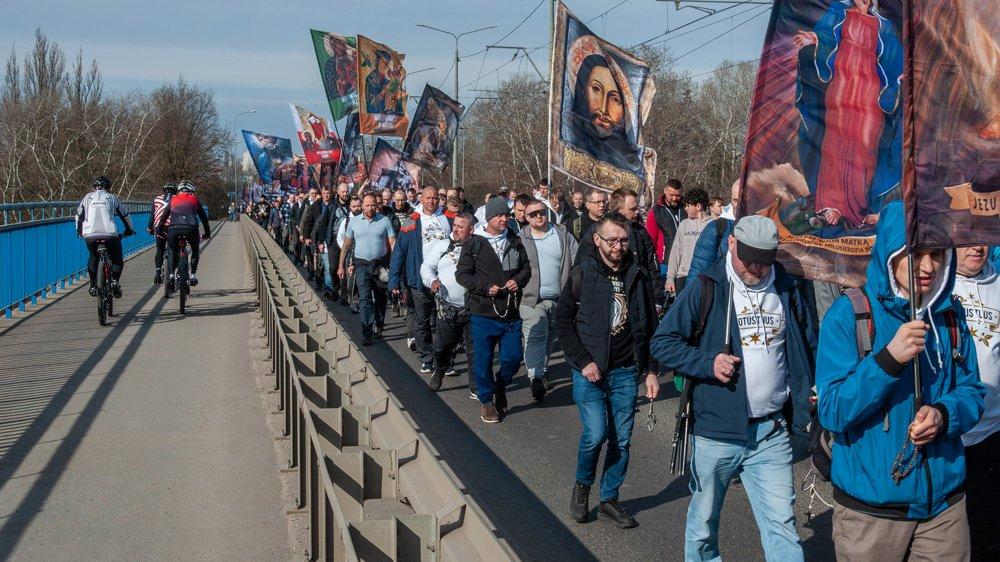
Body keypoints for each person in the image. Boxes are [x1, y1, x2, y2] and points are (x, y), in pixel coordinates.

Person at [815, 201, 984, 560]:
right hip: (871, 512)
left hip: (944, 508)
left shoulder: (950, 316)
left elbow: (972, 392)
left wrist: (943, 415)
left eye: (936, 254)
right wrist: (888, 360)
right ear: (891, 253)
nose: (928, 266)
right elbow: (832, 410)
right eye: (916, 253)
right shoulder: (850, 314)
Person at [652, 215, 816, 561]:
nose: (756, 268)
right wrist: (707, 363)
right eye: (749, 258)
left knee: (782, 525)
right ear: (731, 244)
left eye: (764, 260)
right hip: (716, 430)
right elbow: (663, 343)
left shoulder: (786, 287)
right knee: (703, 524)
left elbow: (806, 345)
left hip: (771, 431)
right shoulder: (707, 286)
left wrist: (811, 391)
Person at [556, 215, 659, 529]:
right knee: (595, 434)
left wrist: (651, 370)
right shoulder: (582, 275)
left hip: (625, 371)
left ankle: (609, 499)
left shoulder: (638, 275)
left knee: (621, 440)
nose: (618, 246)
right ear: (597, 240)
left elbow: (651, 327)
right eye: (612, 240)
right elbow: (563, 323)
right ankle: (583, 485)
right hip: (589, 371)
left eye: (624, 240)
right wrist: (584, 361)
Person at [455, 196, 530, 424]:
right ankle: (486, 400)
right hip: (482, 313)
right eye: (499, 215)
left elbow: (526, 268)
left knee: (513, 358)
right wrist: (485, 287)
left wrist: (518, 281)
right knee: (483, 359)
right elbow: (462, 275)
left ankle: (501, 385)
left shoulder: (514, 240)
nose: (504, 219)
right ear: (489, 218)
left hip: (510, 312)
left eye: (506, 215)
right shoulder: (474, 244)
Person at [953, 245, 1000, 559]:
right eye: (967, 240)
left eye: (983, 239)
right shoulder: (934, 285)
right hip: (946, 436)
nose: (977, 247)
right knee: (949, 537)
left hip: (991, 434)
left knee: (988, 532)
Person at [519, 198, 579, 401]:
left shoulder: (562, 234)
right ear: (526, 218)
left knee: (550, 336)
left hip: (559, 297)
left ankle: (542, 370)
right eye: (533, 214)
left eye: (542, 212)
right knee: (536, 335)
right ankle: (535, 377)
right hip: (531, 299)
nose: (539, 216)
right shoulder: (520, 239)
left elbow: (576, 260)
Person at [390, 186, 451, 372]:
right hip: (419, 279)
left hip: (445, 280)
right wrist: (394, 279)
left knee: (446, 323)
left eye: (435, 198)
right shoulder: (412, 220)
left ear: (439, 199)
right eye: (427, 198)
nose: (431, 201)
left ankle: (445, 360)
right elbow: (399, 251)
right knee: (422, 320)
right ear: (421, 199)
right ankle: (426, 357)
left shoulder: (448, 218)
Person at [421, 213, 476, 393]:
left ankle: (476, 387)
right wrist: (432, 281)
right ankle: (439, 370)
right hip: (448, 307)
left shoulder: (479, 246)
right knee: (442, 347)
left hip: (473, 308)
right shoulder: (443, 245)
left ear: (471, 229)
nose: (456, 230)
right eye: (455, 226)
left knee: (475, 349)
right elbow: (426, 267)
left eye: (461, 227)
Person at [338, 194, 396, 346]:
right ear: (362, 205)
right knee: (365, 299)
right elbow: (346, 244)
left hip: (380, 265)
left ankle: (379, 324)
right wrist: (341, 265)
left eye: (373, 205)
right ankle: (367, 332)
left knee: (381, 297)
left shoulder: (384, 220)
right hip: (362, 265)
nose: (370, 208)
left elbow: (393, 243)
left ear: (377, 205)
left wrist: (395, 265)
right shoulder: (354, 222)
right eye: (367, 205)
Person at [76, 176, 136, 297]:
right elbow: (124, 215)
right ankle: (114, 281)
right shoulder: (112, 197)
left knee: (93, 255)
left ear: (93, 188)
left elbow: (79, 215)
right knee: (117, 257)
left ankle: (93, 285)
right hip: (110, 234)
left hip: (90, 235)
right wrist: (129, 230)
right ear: (108, 188)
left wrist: (79, 231)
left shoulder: (87, 197)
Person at [156, 180, 211, 289]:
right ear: (191, 191)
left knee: (171, 251)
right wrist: (207, 233)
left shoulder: (173, 199)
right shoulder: (194, 199)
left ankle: (171, 276)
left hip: (174, 228)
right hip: (191, 228)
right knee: (195, 250)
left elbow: (164, 217)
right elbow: (204, 219)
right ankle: (193, 276)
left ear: (179, 190)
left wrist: (160, 231)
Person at [665, 188, 714, 295]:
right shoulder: (684, 224)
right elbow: (676, 252)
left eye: (688, 205)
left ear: (698, 206)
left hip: (705, 277)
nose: (685, 208)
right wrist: (670, 278)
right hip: (684, 275)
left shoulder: (713, 225)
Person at [646, 178, 684, 277]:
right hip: (664, 262)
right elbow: (650, 240)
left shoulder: (686, 208)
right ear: (665, 191)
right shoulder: (656, 211)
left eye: (678, 195)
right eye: (671, 195)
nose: (675, 198)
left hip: (684, 261)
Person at [148, 183, 176, 285]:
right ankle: (172, 274)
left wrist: (150, 228)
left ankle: (157, 273)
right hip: (173, 227)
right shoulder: (176, 199)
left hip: (159, 227)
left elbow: (152, 216)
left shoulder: (157, 199)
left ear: (164, 191)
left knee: (160, 250)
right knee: (173, 250)